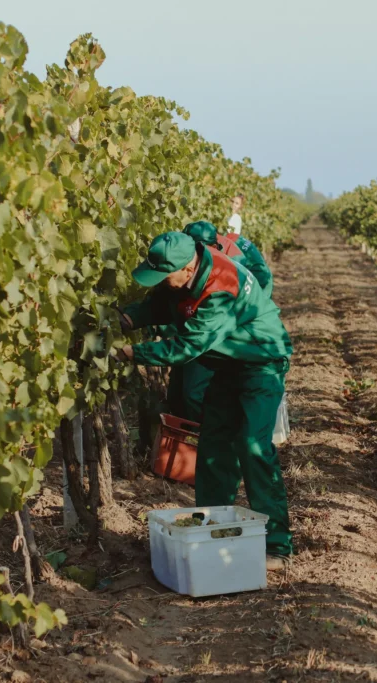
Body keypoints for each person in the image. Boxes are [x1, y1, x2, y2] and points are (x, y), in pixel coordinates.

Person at [117, 232, 294, 568]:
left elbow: (185, 348)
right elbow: (162, 301)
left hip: (261, 362)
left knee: (253, 446)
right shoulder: (184, 276)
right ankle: (215, 529)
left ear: (187, 268)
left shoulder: (220, 287)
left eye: (165, 276)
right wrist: (130, 317)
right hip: (226, 363)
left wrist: (129, 353)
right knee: (213, 445)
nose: (162, 282)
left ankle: (278, 546)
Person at [167, 221, 275, 422]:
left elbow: (263, 282)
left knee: (197, 390)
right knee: (182, 387)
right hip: (204, 323)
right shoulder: (191, 265)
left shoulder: (233, 260)